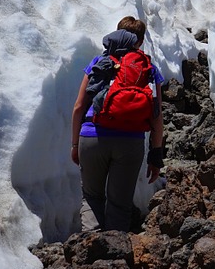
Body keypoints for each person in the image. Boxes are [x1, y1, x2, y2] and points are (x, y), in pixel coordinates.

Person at [70, 16, 165, 231]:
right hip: (129, 142)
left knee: (92, 198)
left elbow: (78, 107)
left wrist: (76, 144)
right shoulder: (148, 69)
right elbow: (157, 117)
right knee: (119, 203)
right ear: (140, 42)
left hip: (92, 137)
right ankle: (115, 254)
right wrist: (155, 156)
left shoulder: (98, 63)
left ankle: (89, 251)